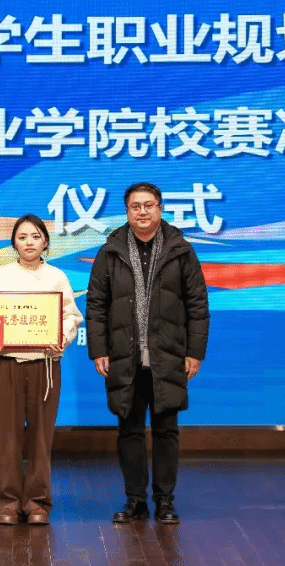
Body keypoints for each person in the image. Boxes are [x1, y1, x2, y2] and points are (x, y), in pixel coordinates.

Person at [85, 182, 209, 525]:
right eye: (135, 206)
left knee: (167, 430)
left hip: (168, 354)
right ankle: (135, 500)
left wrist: (194, 351)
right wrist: (99, 349)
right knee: (130, 430)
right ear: (127, 211)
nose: (142, 212)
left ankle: (165, 501)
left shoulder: (180, 250)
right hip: (124, 356)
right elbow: (96, 305)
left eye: (149, 205)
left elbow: (197, 304)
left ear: (160, 208)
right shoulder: (110, 251)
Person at [0, 215, 83, 526]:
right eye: (22, 237)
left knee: (40, 436)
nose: (29, 242)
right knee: (6, 436)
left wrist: (61, 337)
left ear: (45, 241)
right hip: (7, 363)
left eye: (35, 236)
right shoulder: (0, 276)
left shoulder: (57, 277)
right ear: (14, 243)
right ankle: (7, 503)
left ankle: (37, 503)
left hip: (45, 365)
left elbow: (71, 316)